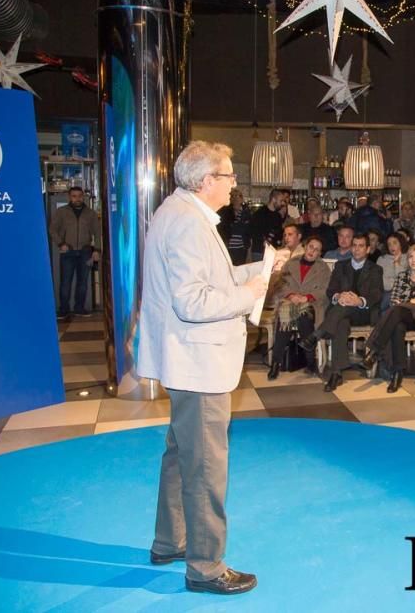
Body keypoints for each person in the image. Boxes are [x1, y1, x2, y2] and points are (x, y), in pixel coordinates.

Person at [137, 141, 267, 595]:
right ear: (208, 180)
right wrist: (248, 296)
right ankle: (206, 567)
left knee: (181, 454)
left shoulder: (177, 213)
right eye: (230, 177)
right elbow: (193, 301)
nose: (235, 185)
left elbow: (205, 280)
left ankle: (169, 541)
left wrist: (255, 273)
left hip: (185, 358)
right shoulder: (189, 224)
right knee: (206, 467)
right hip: (198, 361)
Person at [300, 234, 383, 392]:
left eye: (361, 246)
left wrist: (359, 300)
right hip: (341, 312)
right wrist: (340, 297)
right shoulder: (340, 265)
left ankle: (317, 334)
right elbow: (331, 290)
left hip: (362, 312)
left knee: (343, 310)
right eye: (355, 245)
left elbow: (376, 294)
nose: (357, 249)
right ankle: (336, 373)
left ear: (368, 249)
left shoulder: (375, 269)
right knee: (341, 323)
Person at [362, 245, 415, 393]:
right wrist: (411, 302)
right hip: (400, 316)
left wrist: (409, 303)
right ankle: (397, 373)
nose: (413, 260)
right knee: (397, 326)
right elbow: (393, 300)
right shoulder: (401, 277)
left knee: (397, 310)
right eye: (410, 257)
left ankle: (374, 350)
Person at [267, 236, 330, 380]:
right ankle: (276, 363)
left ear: (320, 254)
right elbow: (279, 284)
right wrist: (290, 295)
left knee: (304, 316)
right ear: (305, 247)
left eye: (317, 250)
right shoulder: (291, 263)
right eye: (310, 247)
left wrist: (306, 297)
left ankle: (309, 361)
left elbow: (325, 290)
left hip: (311, 305)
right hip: (289, 302)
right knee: (285, 313)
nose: (312, 251)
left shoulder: (323, 268)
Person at [49, 185, 101, 318]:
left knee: (82, 282)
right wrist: (61, 243)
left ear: (83, 196)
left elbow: (97, 232)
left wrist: (96, 250)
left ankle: (79, 308)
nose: (77, 199)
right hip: (68, 252)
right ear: (69, 197)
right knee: (65, 282)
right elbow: (52, 229)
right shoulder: (61, 212)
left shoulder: (90, 214)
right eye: (74, 196)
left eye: (79, 196)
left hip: (85, 252)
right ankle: (63, 309)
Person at [216, 188, 251, 266]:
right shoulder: (225, 211)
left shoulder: (246, 212)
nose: (235, 198)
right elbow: (221, 228)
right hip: (228, 246)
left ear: (242, 199)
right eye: (233, 196)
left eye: (237, 196)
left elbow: (249, 230)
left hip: (242, 247)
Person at [248, 190, 285, 261]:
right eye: (280, 200)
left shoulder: (278, 216)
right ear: (273, 199)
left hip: (272, 251)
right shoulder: (259, 214)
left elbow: (279, 233)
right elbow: (253, 232)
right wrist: (263, 240)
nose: (282, 203)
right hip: (259, 251)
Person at [377, 233, 409, 311]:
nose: (392, 246)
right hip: (382, 290)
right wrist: (393, 283)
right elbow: (378, 278)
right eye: (389, 244)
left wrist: (397, 263)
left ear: (401, 243)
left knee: (387, 304)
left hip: (399, 292)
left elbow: (403, 280)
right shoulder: (382, 259)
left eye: (395, 243)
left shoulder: (408, 258)